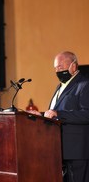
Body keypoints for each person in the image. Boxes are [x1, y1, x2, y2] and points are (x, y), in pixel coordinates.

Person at [29, 51, 89, 182]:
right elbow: (55, 112)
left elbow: (86, 114)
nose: (57, 71)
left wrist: (59, 114)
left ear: (73, 66)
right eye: (55, 68)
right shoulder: (59, 87)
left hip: (77, 150)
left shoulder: (85, 84)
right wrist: (41, 114)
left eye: (60, 67)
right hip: (58, 147)